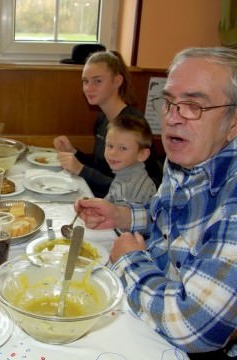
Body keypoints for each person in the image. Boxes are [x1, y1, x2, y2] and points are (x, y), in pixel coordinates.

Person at [76, 47, 237, 358]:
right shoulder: (186, 159)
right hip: (153, 302)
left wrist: (129, 261)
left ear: (233, 122)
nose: (173, 118)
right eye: (168, 102)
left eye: (193, 105)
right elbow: (166, 218)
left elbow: (193, 326)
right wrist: (120, 216)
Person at [53, 50, 162, 198]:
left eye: (97, 81)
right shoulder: (102, 119)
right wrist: (74, 152)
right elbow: (102, 167)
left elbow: (124, 187)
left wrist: (81, 170)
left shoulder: (132, 125)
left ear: (117, 81)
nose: (88, 88)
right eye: (85, 81)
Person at [103, 114, 156, 205]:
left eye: (123, 148)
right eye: (110, 146)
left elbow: (120, 218)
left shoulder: (129, 191)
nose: (112, 153)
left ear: (142, 154)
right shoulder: (125, 174)